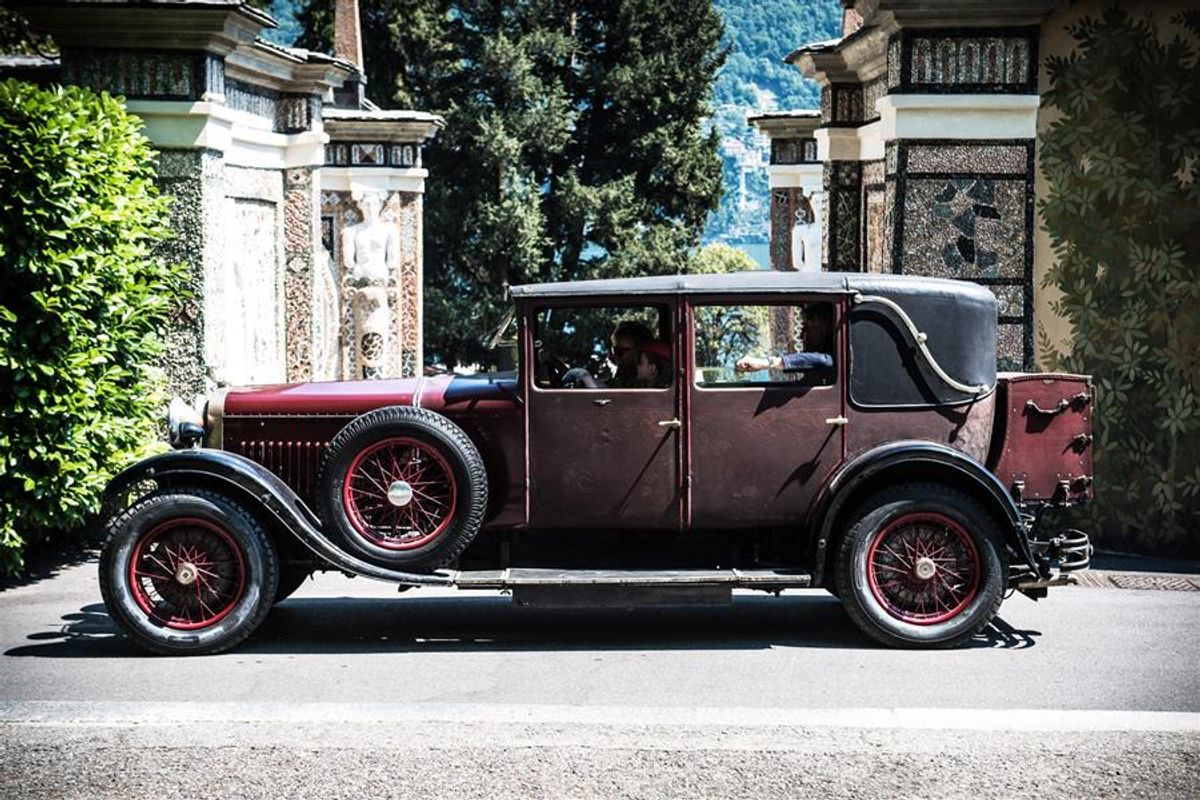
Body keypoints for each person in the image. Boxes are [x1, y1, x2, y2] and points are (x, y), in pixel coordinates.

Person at [734, 304, 833, 376]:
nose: (801, 336)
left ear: (823, 328)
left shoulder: (832, 359)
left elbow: (823, 360)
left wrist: (766, 363)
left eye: (806, 328)